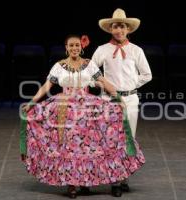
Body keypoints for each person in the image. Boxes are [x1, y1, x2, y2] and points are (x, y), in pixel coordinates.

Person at [20, 34, 145, 198]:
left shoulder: (88, 64)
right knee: (69, 147)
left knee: (88, 146)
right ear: (66, 47)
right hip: (65, 109)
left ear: (82, 47)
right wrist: (32, 102)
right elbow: (46, 86)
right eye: (71, 45)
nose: (74, 48)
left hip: (87, 108)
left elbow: (104, 81)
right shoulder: (59, 66)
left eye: (77, 45)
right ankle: (72, 185)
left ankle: (96, 179)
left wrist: (117, 97)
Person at [92, 8, 152, 194]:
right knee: (111, 140)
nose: (119, 30)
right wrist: (104, 85)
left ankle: (123, 177)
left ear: (128, 29)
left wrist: (131, 85)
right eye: (116, 26)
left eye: (123, 26)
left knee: (128, 139)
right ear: (111, 29)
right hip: (109, 100)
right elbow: (90, 73)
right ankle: (115, 181)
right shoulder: (103, 50)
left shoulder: (136, 50)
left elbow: (147, 74)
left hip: (130, 99)